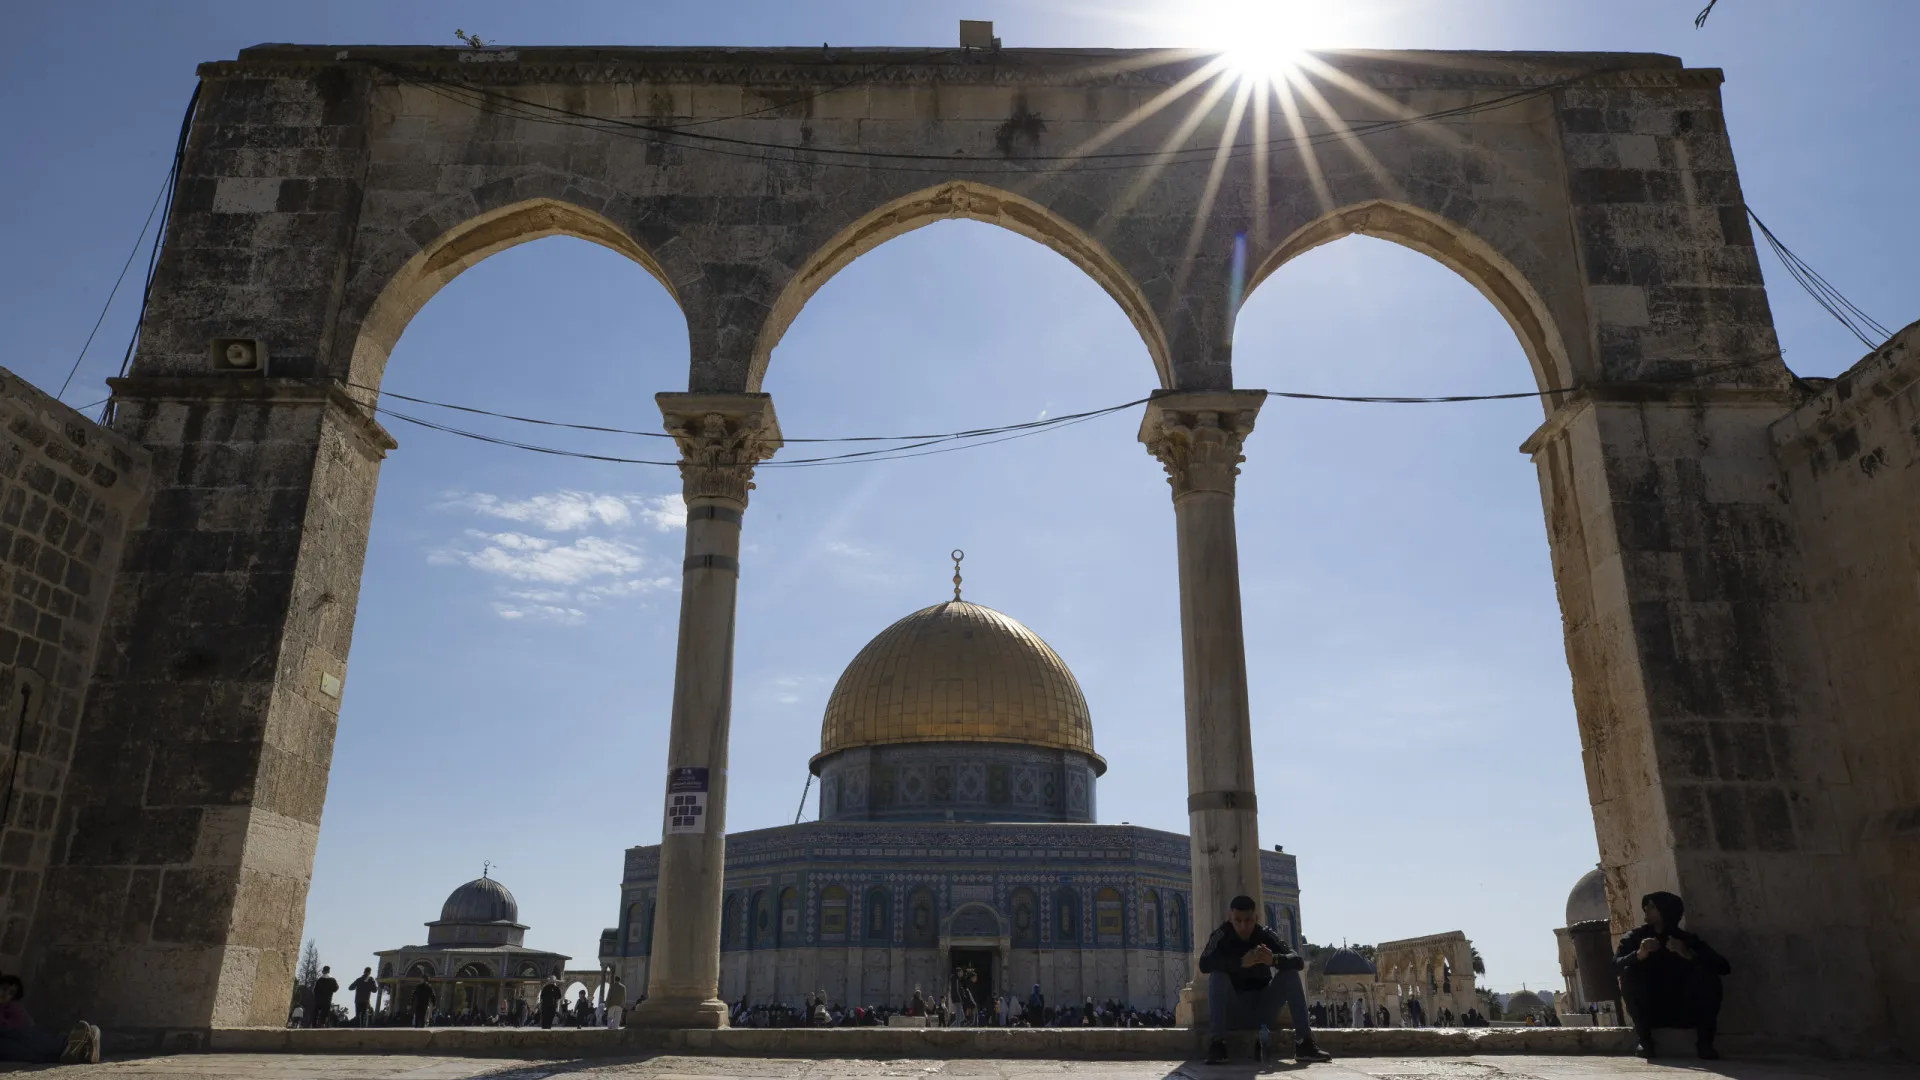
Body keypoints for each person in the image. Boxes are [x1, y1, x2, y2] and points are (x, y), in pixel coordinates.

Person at [1196, 895, 1331, 1064]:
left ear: (1256, 918)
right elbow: (1204, 963)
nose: (1243, 926)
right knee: (1217, 976)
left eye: (1248, 920)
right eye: (1238, 921)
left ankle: (1304, 1043)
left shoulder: (1265, 935)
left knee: (1290, 974)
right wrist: (1240, 963)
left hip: (1263, 1011)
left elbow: (1297, 960)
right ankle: (1217, 1044)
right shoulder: (1221, 935)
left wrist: (1273, 960)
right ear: (1230, 917)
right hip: (1233, 1011)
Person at [1615, 890, 1730, 1060]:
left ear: (1666, 910)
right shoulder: (1636, 937)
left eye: (1652, 906)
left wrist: (1687, 954)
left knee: (1707, 974)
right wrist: (1638, 955)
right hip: (1651, 1010)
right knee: (1628, 972)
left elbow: (1723, 967)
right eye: (1646, 906)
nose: (1646, 909)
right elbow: (1615, 967)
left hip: (1683, 1009)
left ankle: (1705, 1043)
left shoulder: (1685, 939)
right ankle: (1645, 1042)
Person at [0, 975, 100, 1065]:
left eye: (11, 993)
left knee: (23, 1046)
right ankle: (70, 1044)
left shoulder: (11, 1007)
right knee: (18, 1042)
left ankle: (77, 1050)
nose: (5, 994)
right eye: (4, 989)